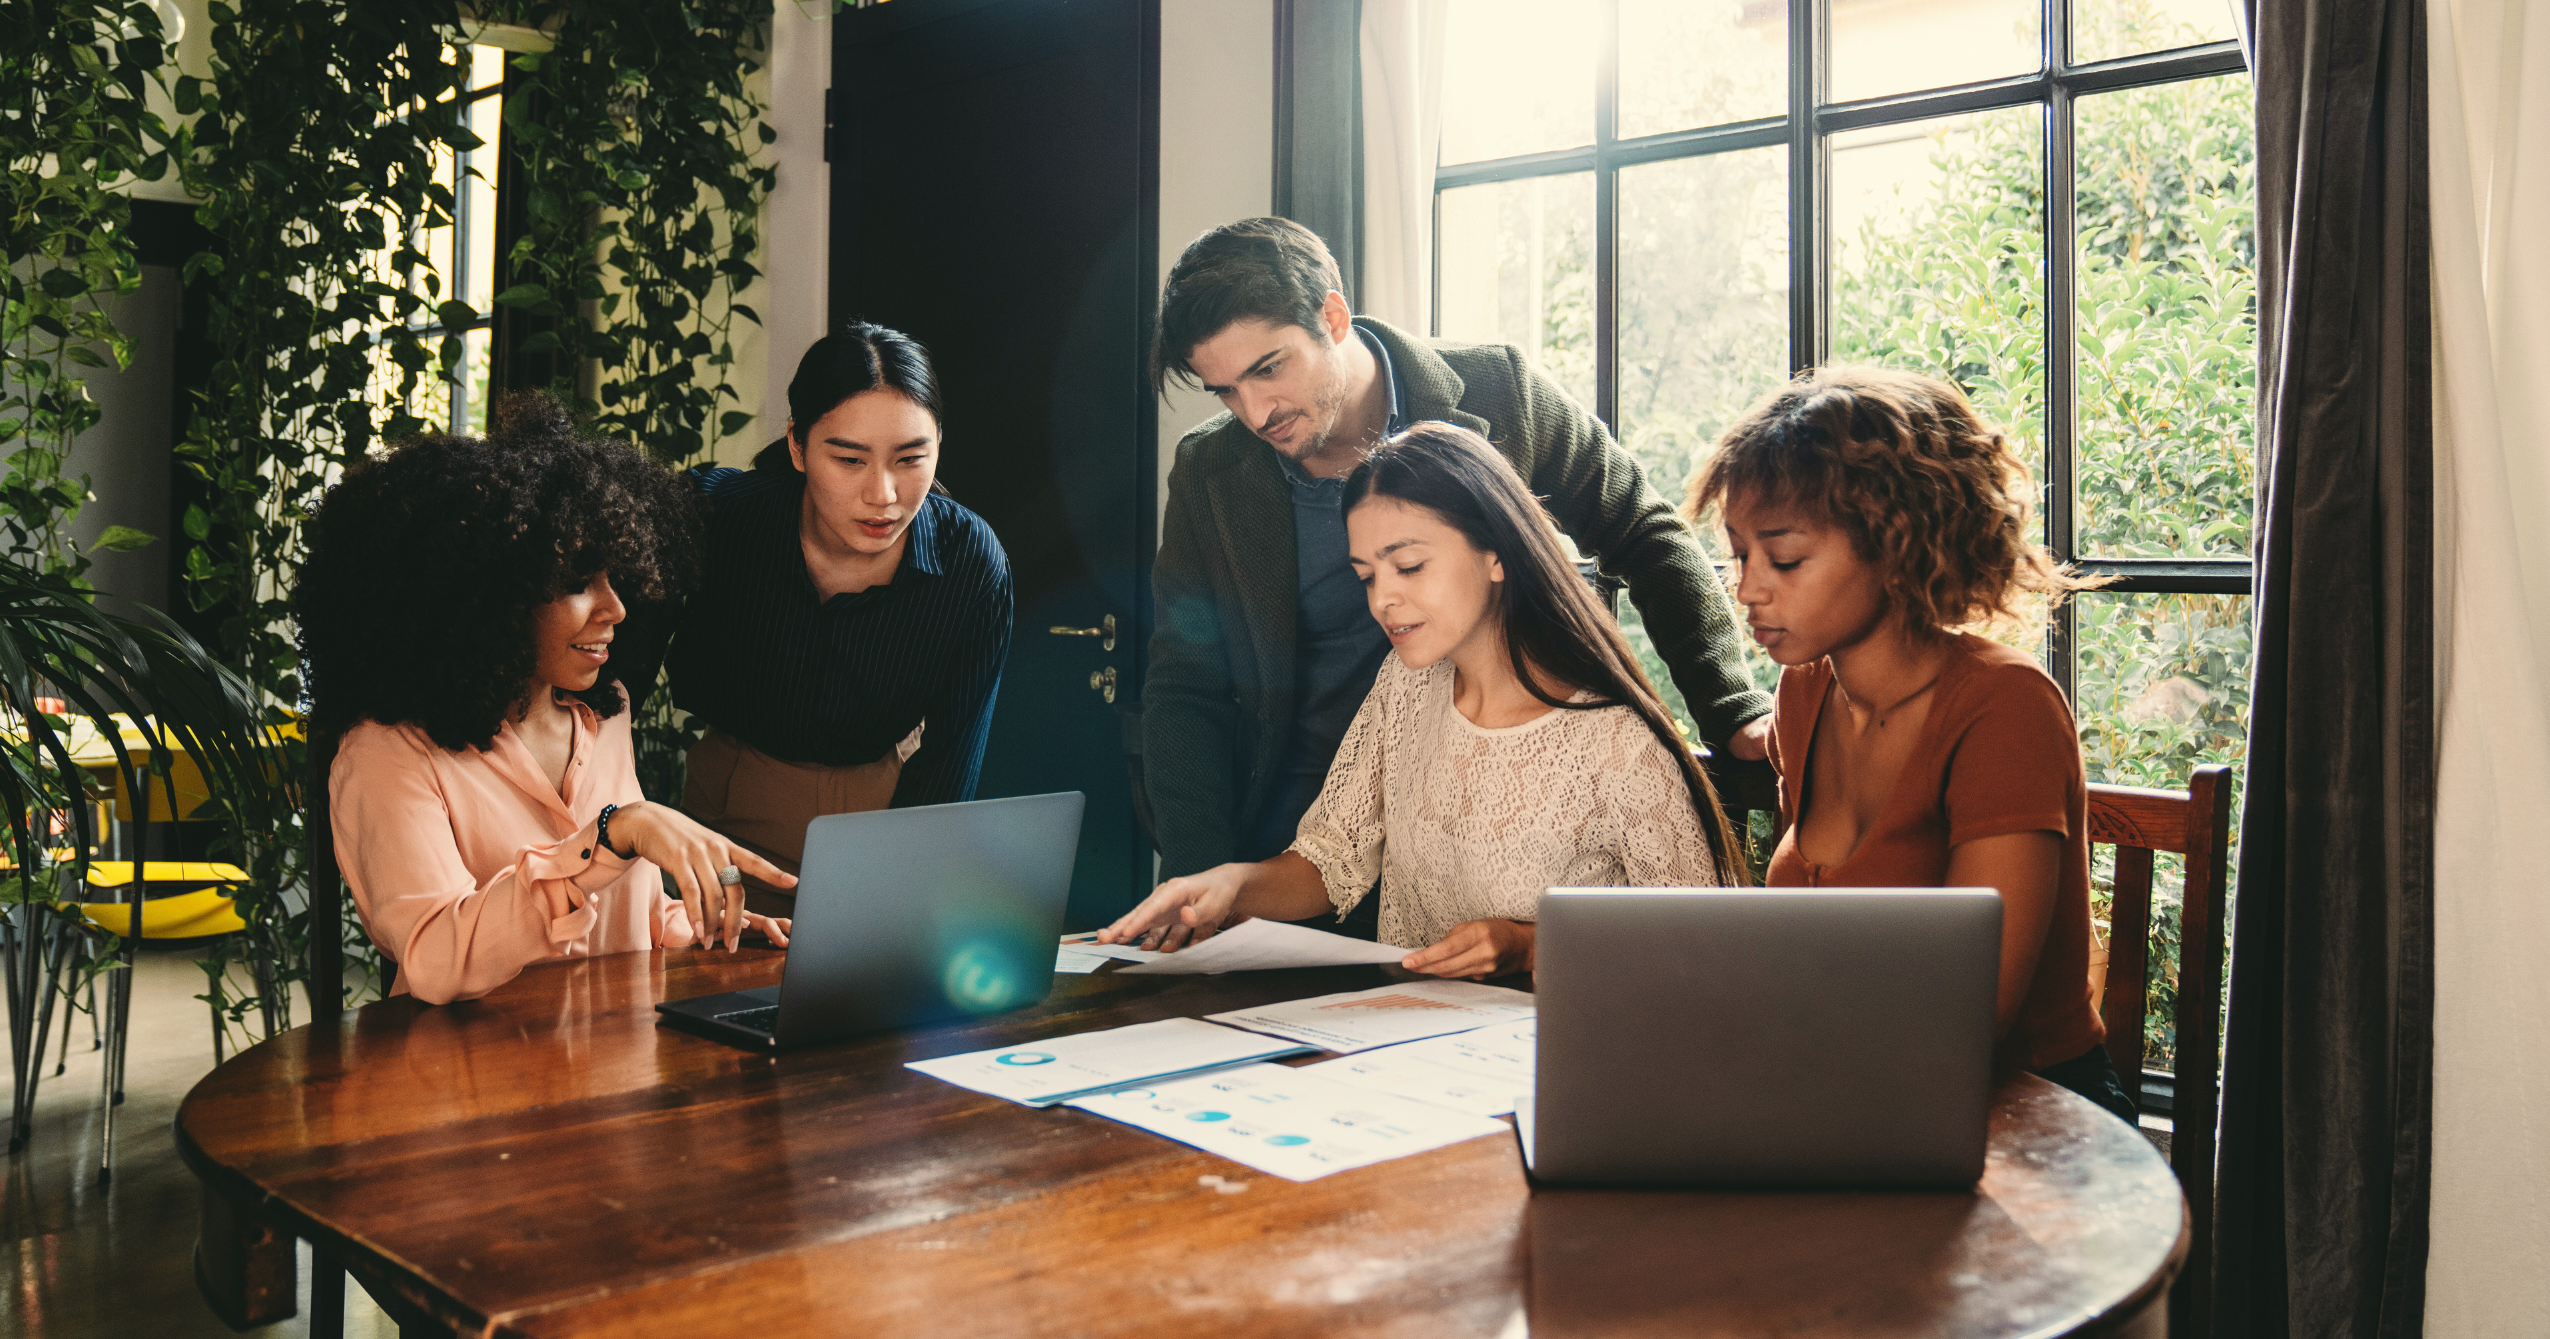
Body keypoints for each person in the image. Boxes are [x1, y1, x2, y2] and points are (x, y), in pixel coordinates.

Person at [1142, 217, 1770, 893]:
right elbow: (1186, 686)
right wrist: (1199, 884)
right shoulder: (1211, 469)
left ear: (1333, 315)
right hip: (1295, 856)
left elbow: (1646, 533)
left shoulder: (1497, 390)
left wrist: (1732, 707)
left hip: (1490, 844)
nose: (1256, 412)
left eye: (1269, 369)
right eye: (1226, 391)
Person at [1101, 423, 1743, 978]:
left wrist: (1526, 945)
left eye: (1408, 567)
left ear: (1496, 554)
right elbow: (1331, 859)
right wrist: (1228, 887)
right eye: (1366, 576)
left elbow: (1702, 952)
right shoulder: (1405, 688)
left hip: (1553, 1073)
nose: (1382, 600)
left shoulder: (1619, 746)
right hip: (1400, 1055)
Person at [1685, 366, 2133, 1122]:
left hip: (2034, 1115)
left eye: (1784, 558)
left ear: (1896, 544)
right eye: (1739, 556)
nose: (1748, 588)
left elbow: (1969, 1015)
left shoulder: (2006, 708)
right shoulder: (1805, 693)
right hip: (1855, 1089)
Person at [299, 393, 797, 1006]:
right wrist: (614, 835)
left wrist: (705, 930)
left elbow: (628, 918)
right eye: (577, 584)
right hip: (470, 1083)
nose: (615, 610)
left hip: (616, 1072)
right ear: (485, 598)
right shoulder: (387, 754)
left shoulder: (604, 713)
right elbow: (435, 959)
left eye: (617, 578)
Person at [655, 323, 1013, 907]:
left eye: (911, 458)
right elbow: (612, 693)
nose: (884, 494)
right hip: (722, 829)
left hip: (883, 829)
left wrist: (899, 895)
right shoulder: (718, 519)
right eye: (848, 459)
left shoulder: (971, 560)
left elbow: (950, 763)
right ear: (797, 445)